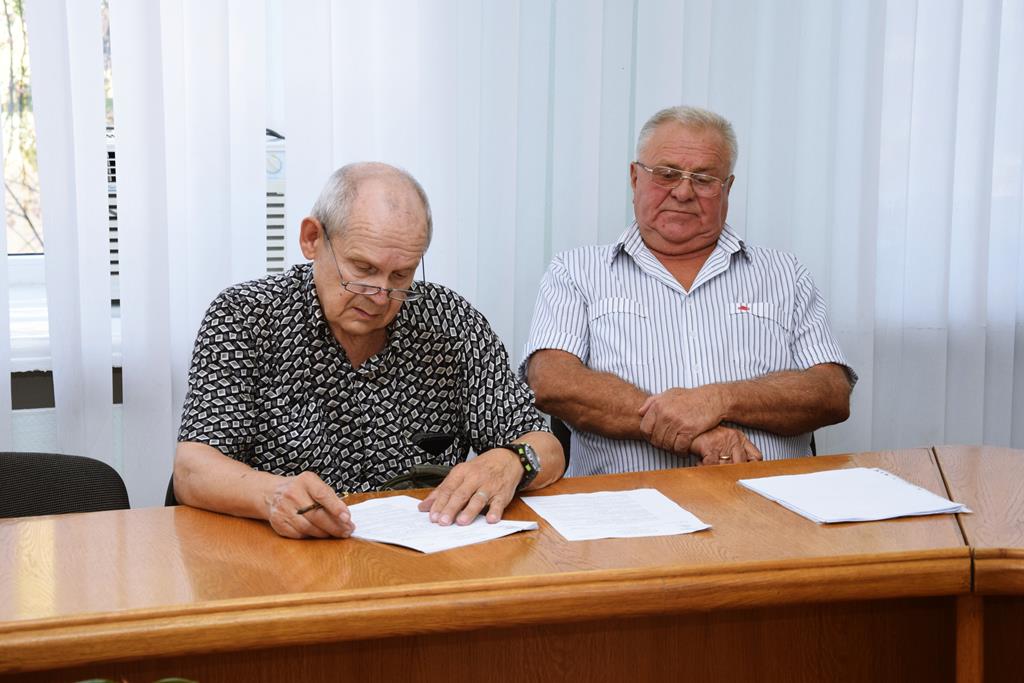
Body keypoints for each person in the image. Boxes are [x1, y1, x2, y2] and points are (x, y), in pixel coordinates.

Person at [175, 162, 564, 539]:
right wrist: (273, 495)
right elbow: (193, 469)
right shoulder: (246, 316)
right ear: (312, 239)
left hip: (420, 560)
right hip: (283, 555)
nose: (380, 295)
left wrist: (514, 460)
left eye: (401, 275)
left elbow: (546, 447)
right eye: (362, 269)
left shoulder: (450, 322)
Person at [523, 106, 855, 476]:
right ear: (635, 177)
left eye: (704, 179)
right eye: (666, 174)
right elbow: (552, 382)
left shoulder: (786, 274)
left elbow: (832, 392)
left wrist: (720, 399)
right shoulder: (575, 271)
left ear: (727, 188)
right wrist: (693, 433)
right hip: (625, 502)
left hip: (769, 496)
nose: (683, 192)